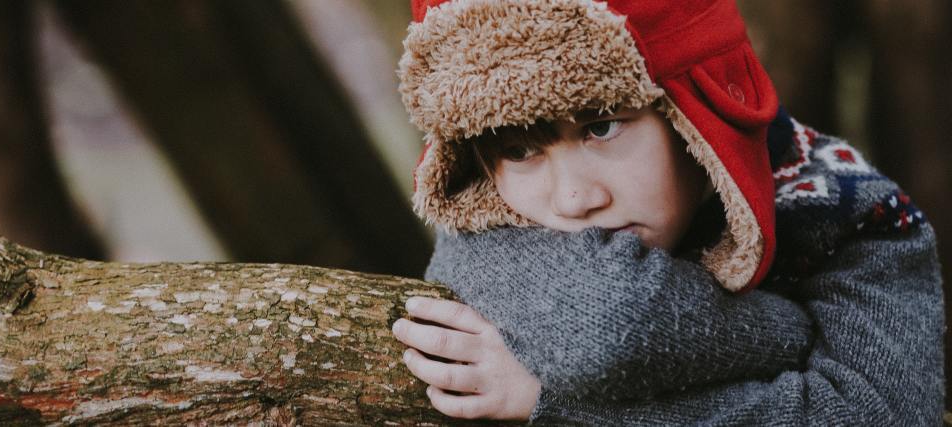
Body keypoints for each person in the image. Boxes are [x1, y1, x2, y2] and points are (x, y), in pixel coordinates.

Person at [388, 0, 944, 424]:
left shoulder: (857, 218)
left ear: (689, 114)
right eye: (519, 149)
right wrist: (787, 336)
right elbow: (606, 326)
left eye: (601, 125)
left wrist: (567, 407)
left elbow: (878, 415)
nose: (574, 199)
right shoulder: (487, 204)